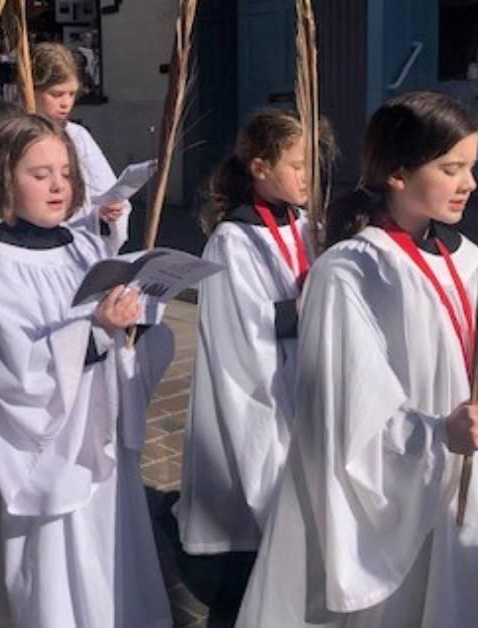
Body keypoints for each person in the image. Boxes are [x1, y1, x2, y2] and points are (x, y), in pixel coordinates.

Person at [235, 91, 478, 628]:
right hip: (406, 499)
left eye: (471, 166)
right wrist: (438, 436)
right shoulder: (351, 272)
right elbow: (349, 412)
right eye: (451, 168)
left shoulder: (471, 262)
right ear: (397, 173)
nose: (469, 183)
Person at [0, 113, 174, 627]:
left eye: (64, 172)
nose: (59, 185)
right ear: (2, 178)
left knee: (103, 542)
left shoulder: (85, 245)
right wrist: (93, 334)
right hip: (40, 452)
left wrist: (135, 324)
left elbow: (107, 336)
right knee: (51, 565)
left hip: (93, 430)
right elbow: (14, 367)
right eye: (39, 175)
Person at [175, 110, 312, 580]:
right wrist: (310, 309)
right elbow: (243, 328)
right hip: (259, 382)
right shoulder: (232, 241)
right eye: (296, 164)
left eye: (311, 162)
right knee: (254, 475)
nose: (307, 175)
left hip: (301, 375)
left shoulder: (306, 223)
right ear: (259, 168)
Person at [0, 43, 130, 251]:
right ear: (30, 89)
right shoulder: (5, 140)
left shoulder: (78, 137)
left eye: (71, 94)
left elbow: (103, 193)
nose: (66, 103)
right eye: (56, 94)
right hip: (20, 251)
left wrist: (105, 215)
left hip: (73, 249)